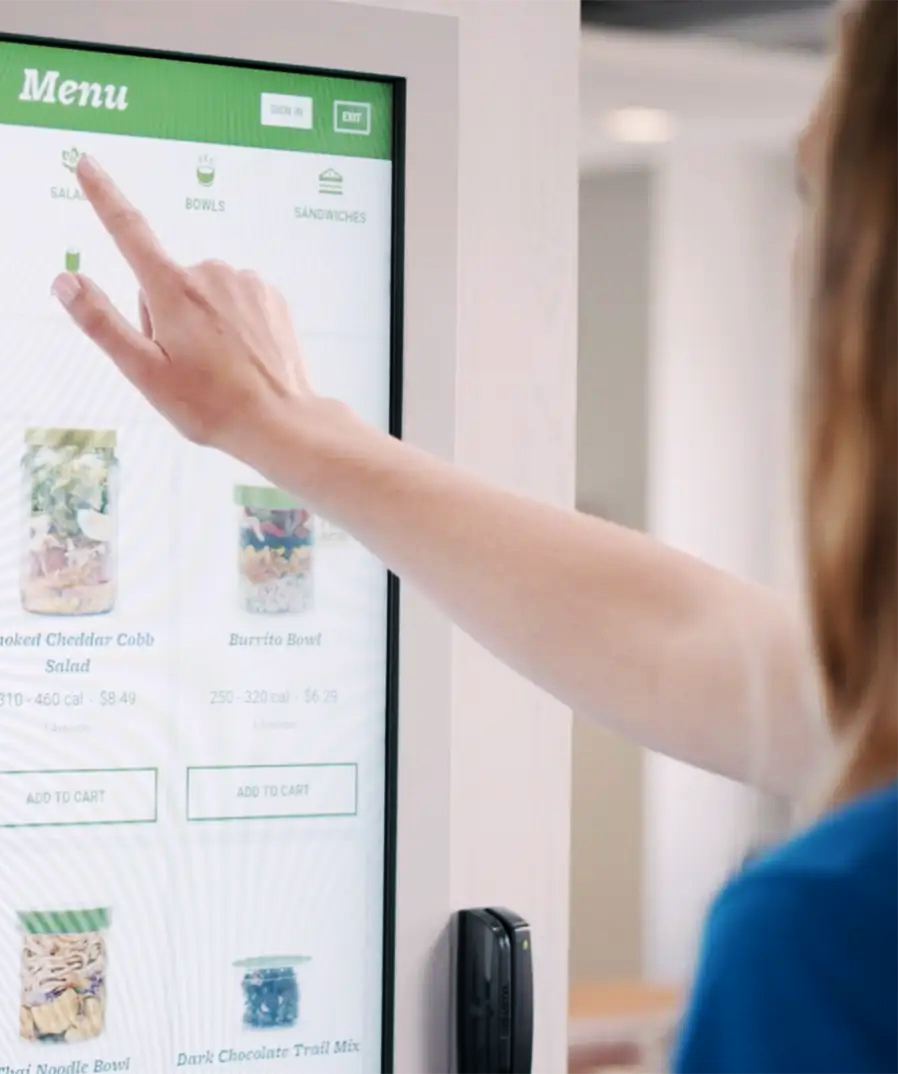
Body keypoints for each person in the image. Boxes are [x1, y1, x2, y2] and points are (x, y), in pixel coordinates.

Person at [49, 0, 896, 1068]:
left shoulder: (831, 938)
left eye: (815, 190)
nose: (791, 252)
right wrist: (285, 429)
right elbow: (712, 646)